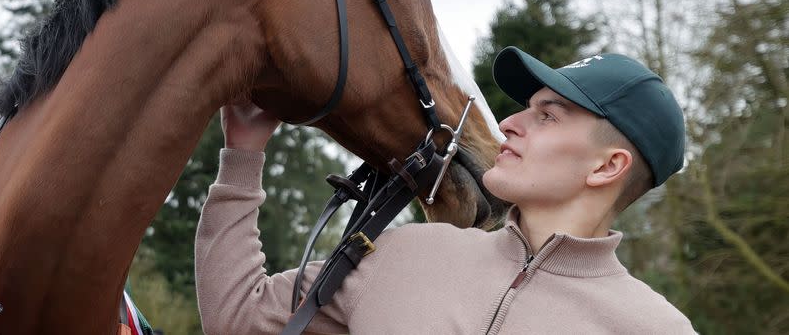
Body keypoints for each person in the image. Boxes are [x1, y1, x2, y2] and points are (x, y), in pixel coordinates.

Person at [195, 47, 696, 334]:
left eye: (547, 116)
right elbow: (237, 314)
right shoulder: (399, 253)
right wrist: (242, 154)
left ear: (608, 166)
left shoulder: (654, 328)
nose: (507, 123)